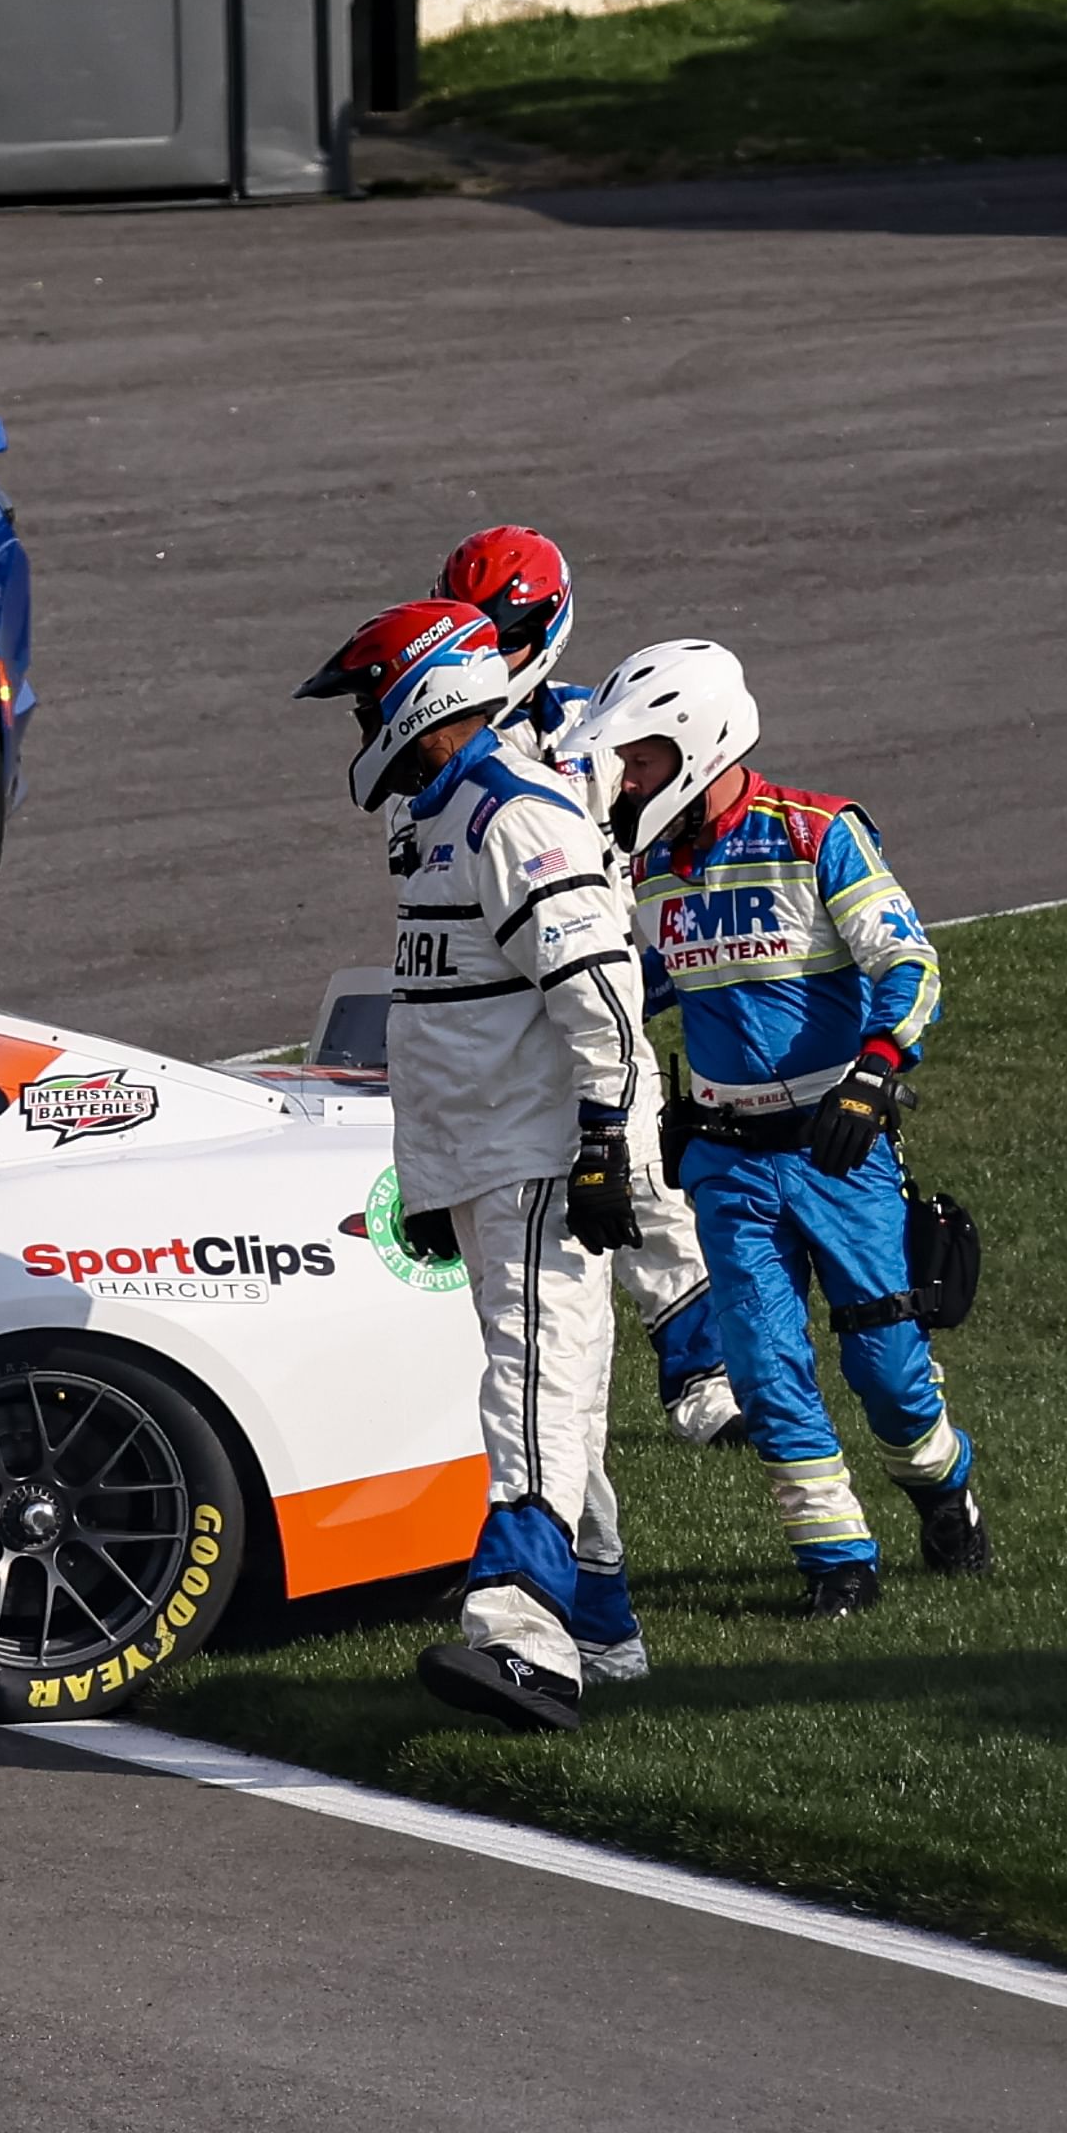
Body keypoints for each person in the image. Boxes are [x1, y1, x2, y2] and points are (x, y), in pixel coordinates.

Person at [564, 641, 988, 1616]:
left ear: (699, 742)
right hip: (724, 1161)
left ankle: (941, 1484)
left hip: (839, 1150)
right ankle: (837, 1563)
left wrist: (875, 1077)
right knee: (761, 1360)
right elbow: (630, 991)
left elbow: (908, 963)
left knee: (888, 1367)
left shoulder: (819, 832)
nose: (626, 781)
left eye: (640, 759)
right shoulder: (647, 872)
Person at [299, 599, 654, 1731]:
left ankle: (522, 1636)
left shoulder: (512, 814)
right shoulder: (441, 820)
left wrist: (605, 1143)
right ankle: (601, 1627)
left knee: (534, 1390)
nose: (360, 720)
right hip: (483, 1164)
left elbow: (601, 992)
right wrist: (430, 1183)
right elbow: (440, 1026)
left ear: (425, 694)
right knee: (558, 1395)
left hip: (539, 1159)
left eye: (368, 697)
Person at [433, 532, 746, 1438]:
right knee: (523, 1191)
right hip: (498, 1001)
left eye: (504, 632)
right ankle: (537, 1387)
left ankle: (705, 1379)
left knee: (643, 1172)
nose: (489, 652)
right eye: (473, 630)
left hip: (598, 972)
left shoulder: (595, 726)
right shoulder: (435, 746)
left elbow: (681, 804)